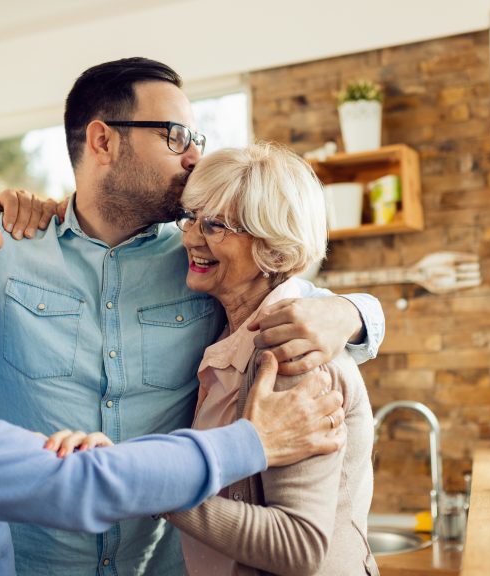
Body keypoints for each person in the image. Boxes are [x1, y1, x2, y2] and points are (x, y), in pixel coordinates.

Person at [0, 58, 386, 576]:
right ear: (103, 139)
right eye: (176, 136)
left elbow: (284, 285)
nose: (192, 156)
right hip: (32, 560)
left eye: (197, 139)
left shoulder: (200, 260)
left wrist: (352, 314)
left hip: (164, 565)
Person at [159, 143, 379, 576]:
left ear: (275, 251)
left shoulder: (292, 358)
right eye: (190, 217)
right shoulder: (231, 336)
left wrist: (155, 488)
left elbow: (298, 546)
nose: (190, 237)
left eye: (215, 225)